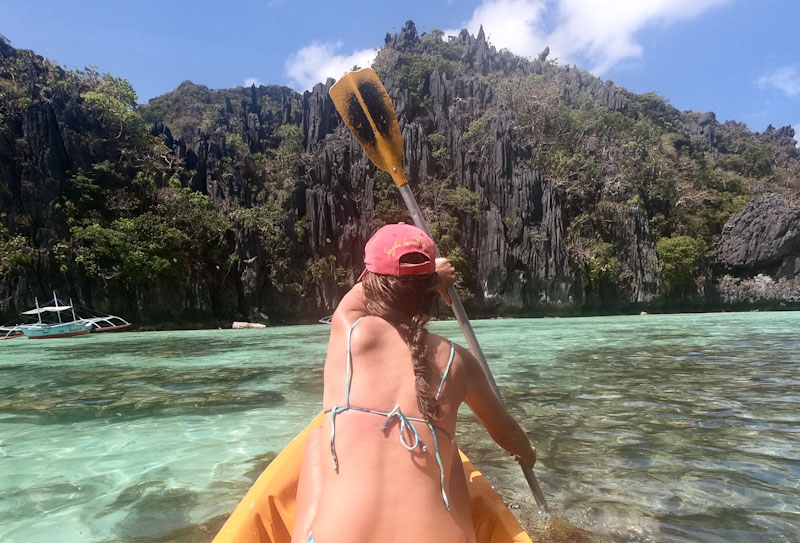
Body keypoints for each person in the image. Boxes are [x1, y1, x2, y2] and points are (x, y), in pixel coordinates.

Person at [292, 223, 537, 543]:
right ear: (427, 293)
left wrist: (432, 278)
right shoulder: (459, 361)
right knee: (449, 452)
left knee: (317, 439)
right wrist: (527, 454)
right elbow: (508, 434)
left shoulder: (350, 331)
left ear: (371, 280)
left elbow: (357, 295)